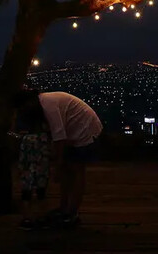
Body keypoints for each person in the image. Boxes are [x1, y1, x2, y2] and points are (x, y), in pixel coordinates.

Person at [14, 90, 102, 228]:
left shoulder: (47, 106)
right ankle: (65, 208)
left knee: (77, 171)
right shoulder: (45, 102)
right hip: (78, 129)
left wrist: (57, 165)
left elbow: (59, 137)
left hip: (85, 130)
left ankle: (71, 212)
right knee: (70, 170)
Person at [16, 102, 51, 231]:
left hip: (27, 171)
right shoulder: (44, 138)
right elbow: (47, 154)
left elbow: (23, 157)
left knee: (26, 195)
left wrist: (20, 169)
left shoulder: (26, 139)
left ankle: (27, 218)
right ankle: (41, 217)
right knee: (41, 194)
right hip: (42, 169)